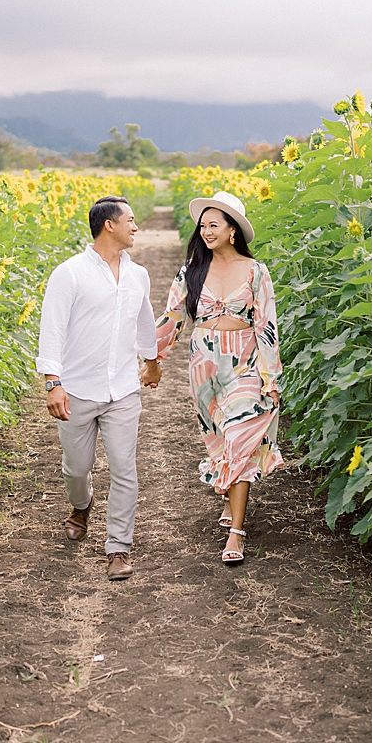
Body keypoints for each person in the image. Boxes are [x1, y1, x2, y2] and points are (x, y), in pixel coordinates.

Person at [37, 196, 162, 581]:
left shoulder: (138, 274)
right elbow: (52, 330)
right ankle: (81, 504)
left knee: (125, 469)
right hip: (78, 390)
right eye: (131, 220)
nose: (136, 226)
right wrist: (53, 383)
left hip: (123, 389)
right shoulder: (70, 273)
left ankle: (118, 548)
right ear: (109, 225)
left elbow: (145, 322)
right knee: (77, 467)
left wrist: (152, 362)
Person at [155, 190, 282, 566]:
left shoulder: (255, 271)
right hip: (204, 364)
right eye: (203, 225)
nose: (206, 230)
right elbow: (172, 316)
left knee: (242, 434)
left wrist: (270, 376)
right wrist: (153, 360)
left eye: (214, 225)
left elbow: (266, 324)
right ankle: (229, 495)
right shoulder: (192, 269)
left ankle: (236, 533)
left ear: (232, 231)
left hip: (244, 360)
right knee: (220, 439)